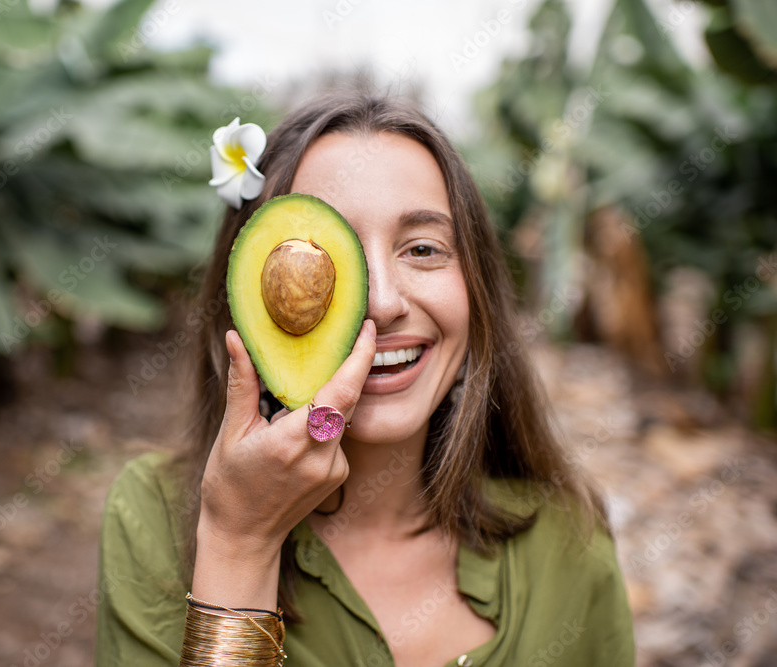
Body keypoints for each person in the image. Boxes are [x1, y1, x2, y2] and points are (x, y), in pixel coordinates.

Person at [96, 92, 635, 666]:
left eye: (423, 249)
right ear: (244, 298)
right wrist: (240, 545)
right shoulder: (151, 514)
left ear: (477, 288)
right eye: (325, 256)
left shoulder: (570, 543)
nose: (380, 302)